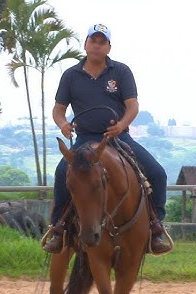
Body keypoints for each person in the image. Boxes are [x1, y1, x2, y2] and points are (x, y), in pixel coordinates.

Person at [43, 23, 172, 255]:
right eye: (93, 40)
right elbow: (58, 109)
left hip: (118, 138)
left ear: (109, 47)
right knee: (62, 173)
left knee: (157, 174)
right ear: (85, 44)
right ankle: (58, 229)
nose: (97, 45)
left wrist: (121, 125)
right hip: (84, 139)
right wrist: (63, 124)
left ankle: (156, 227)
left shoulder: (121, 72)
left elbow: (133, 106)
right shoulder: (71, 75)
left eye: (102, 42)